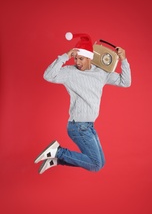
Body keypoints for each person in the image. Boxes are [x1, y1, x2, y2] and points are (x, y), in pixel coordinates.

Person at [34, 32, 131, 174]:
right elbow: (48, 75)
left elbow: (125, 82)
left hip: (89, 126)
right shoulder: (70, 73)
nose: (77, 62)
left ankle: (56, 159)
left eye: (81, 59)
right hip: (78, 126)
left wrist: (124, 60)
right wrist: (65, 57)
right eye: (75, 58)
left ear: (90, 58)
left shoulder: (101, 73)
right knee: (95, 164)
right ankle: (58, 152)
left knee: (100, 163)